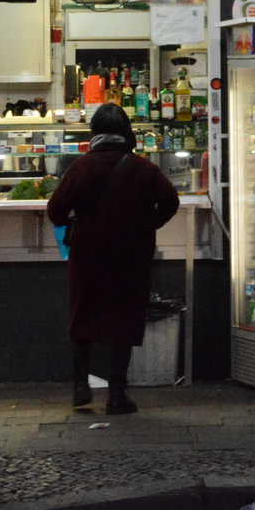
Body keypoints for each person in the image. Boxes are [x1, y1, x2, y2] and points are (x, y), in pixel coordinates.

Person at [47, 103, 180, 415]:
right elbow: (170, 201)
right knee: (125, 317)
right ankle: (117, 395)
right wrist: (149, 223)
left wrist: (82, 220)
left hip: (88, 256)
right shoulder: (144, 168)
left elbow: (55, 212)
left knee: (83, 314)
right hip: (131, 257)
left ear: (95, 132)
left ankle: (81, 386)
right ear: (125, 132)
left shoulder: (81, 167)